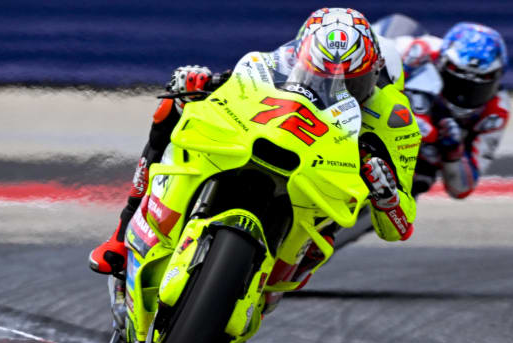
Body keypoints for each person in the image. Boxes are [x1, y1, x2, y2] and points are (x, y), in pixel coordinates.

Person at [89, 8, 421, 282]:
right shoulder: (276, 64)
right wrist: (198, 81)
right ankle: (120, 235)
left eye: (353, 81)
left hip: (319, 191)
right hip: (268, 145)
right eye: (321, 75)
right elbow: (233, 84)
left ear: (376, 76)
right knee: (174, 107)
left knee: (319, 246)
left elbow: (400, 228)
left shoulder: (394, 119)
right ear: (300, 57)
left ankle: (266, 287)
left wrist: (387, 193)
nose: (337, 87)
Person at [391, 22, 509, 199]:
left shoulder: (496, 111)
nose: (464, 93)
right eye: (457, 79)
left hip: (418, 159)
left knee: (419, 180)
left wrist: (454, 152)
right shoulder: (418, 51)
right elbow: (372, 53)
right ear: (442, 63)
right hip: (385, 116)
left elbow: (461, 188)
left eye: (478, 84)